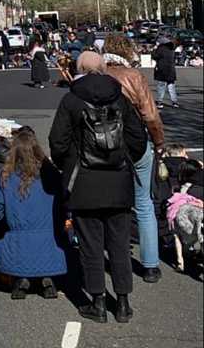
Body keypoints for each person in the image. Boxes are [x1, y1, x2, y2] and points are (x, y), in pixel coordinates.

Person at [49, 51, 147, 324]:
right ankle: (124, 303)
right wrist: (126, 159)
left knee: (91, 246)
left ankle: (98, 302)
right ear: (103, 68)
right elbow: (138, 137)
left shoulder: (71, 100)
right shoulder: (120, 98)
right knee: (119, 244)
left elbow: (58, 142)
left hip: (84, 180)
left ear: (79, 69)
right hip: (118, 179)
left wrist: (67, 165)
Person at [103, 33, 165, 283]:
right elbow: (150, 116)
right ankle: (150, 265)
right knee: (144, 204)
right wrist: (159, 142)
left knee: (109, 203)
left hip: (104, 146)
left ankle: (112, 255)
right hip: (136, 143)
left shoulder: (98, 76)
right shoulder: (134, 77)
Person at [0, 130, 67, 300]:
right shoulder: (51, 174)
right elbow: (63, 206)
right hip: (51, 242)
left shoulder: (4, 175)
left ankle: (22, 277)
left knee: (4, 235)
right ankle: (46, 277)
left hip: (17, 241)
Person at [152, 38, 179, 109]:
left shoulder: (160, 49)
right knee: (171, 87)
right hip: (171, 70)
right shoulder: (171, 49)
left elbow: (155, 56)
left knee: (161, 86)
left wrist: (154, 49)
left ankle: (160, 102)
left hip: (162, 70)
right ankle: (174, 102)